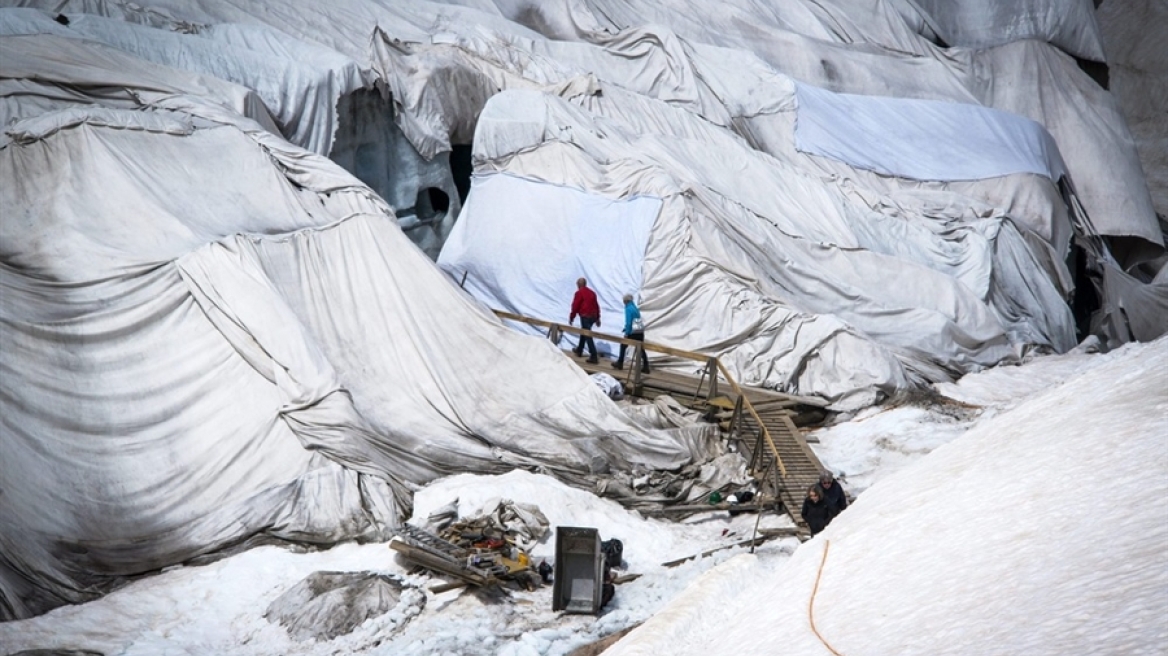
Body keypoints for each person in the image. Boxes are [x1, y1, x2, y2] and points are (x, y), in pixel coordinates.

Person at [611, 293, 649, 373]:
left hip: (633, 331)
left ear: (626, 301)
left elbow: (629, 322)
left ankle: (620, 362)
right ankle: (646, 366)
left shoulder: (628, 308)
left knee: (623, 345)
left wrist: (627, 333)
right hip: (639, 330)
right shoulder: (635, 308)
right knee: (641, 348)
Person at [569, 278, 601, 364]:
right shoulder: (592, 293)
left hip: (585, 315)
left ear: (579, 285)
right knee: (584, 331)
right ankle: (579, 350)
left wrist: (572, 317)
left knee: (587, 334)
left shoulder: (579, 293)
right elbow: (596, 305)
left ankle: (593, 355)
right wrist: (597, 318)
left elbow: (575, 306)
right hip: (593, 316)